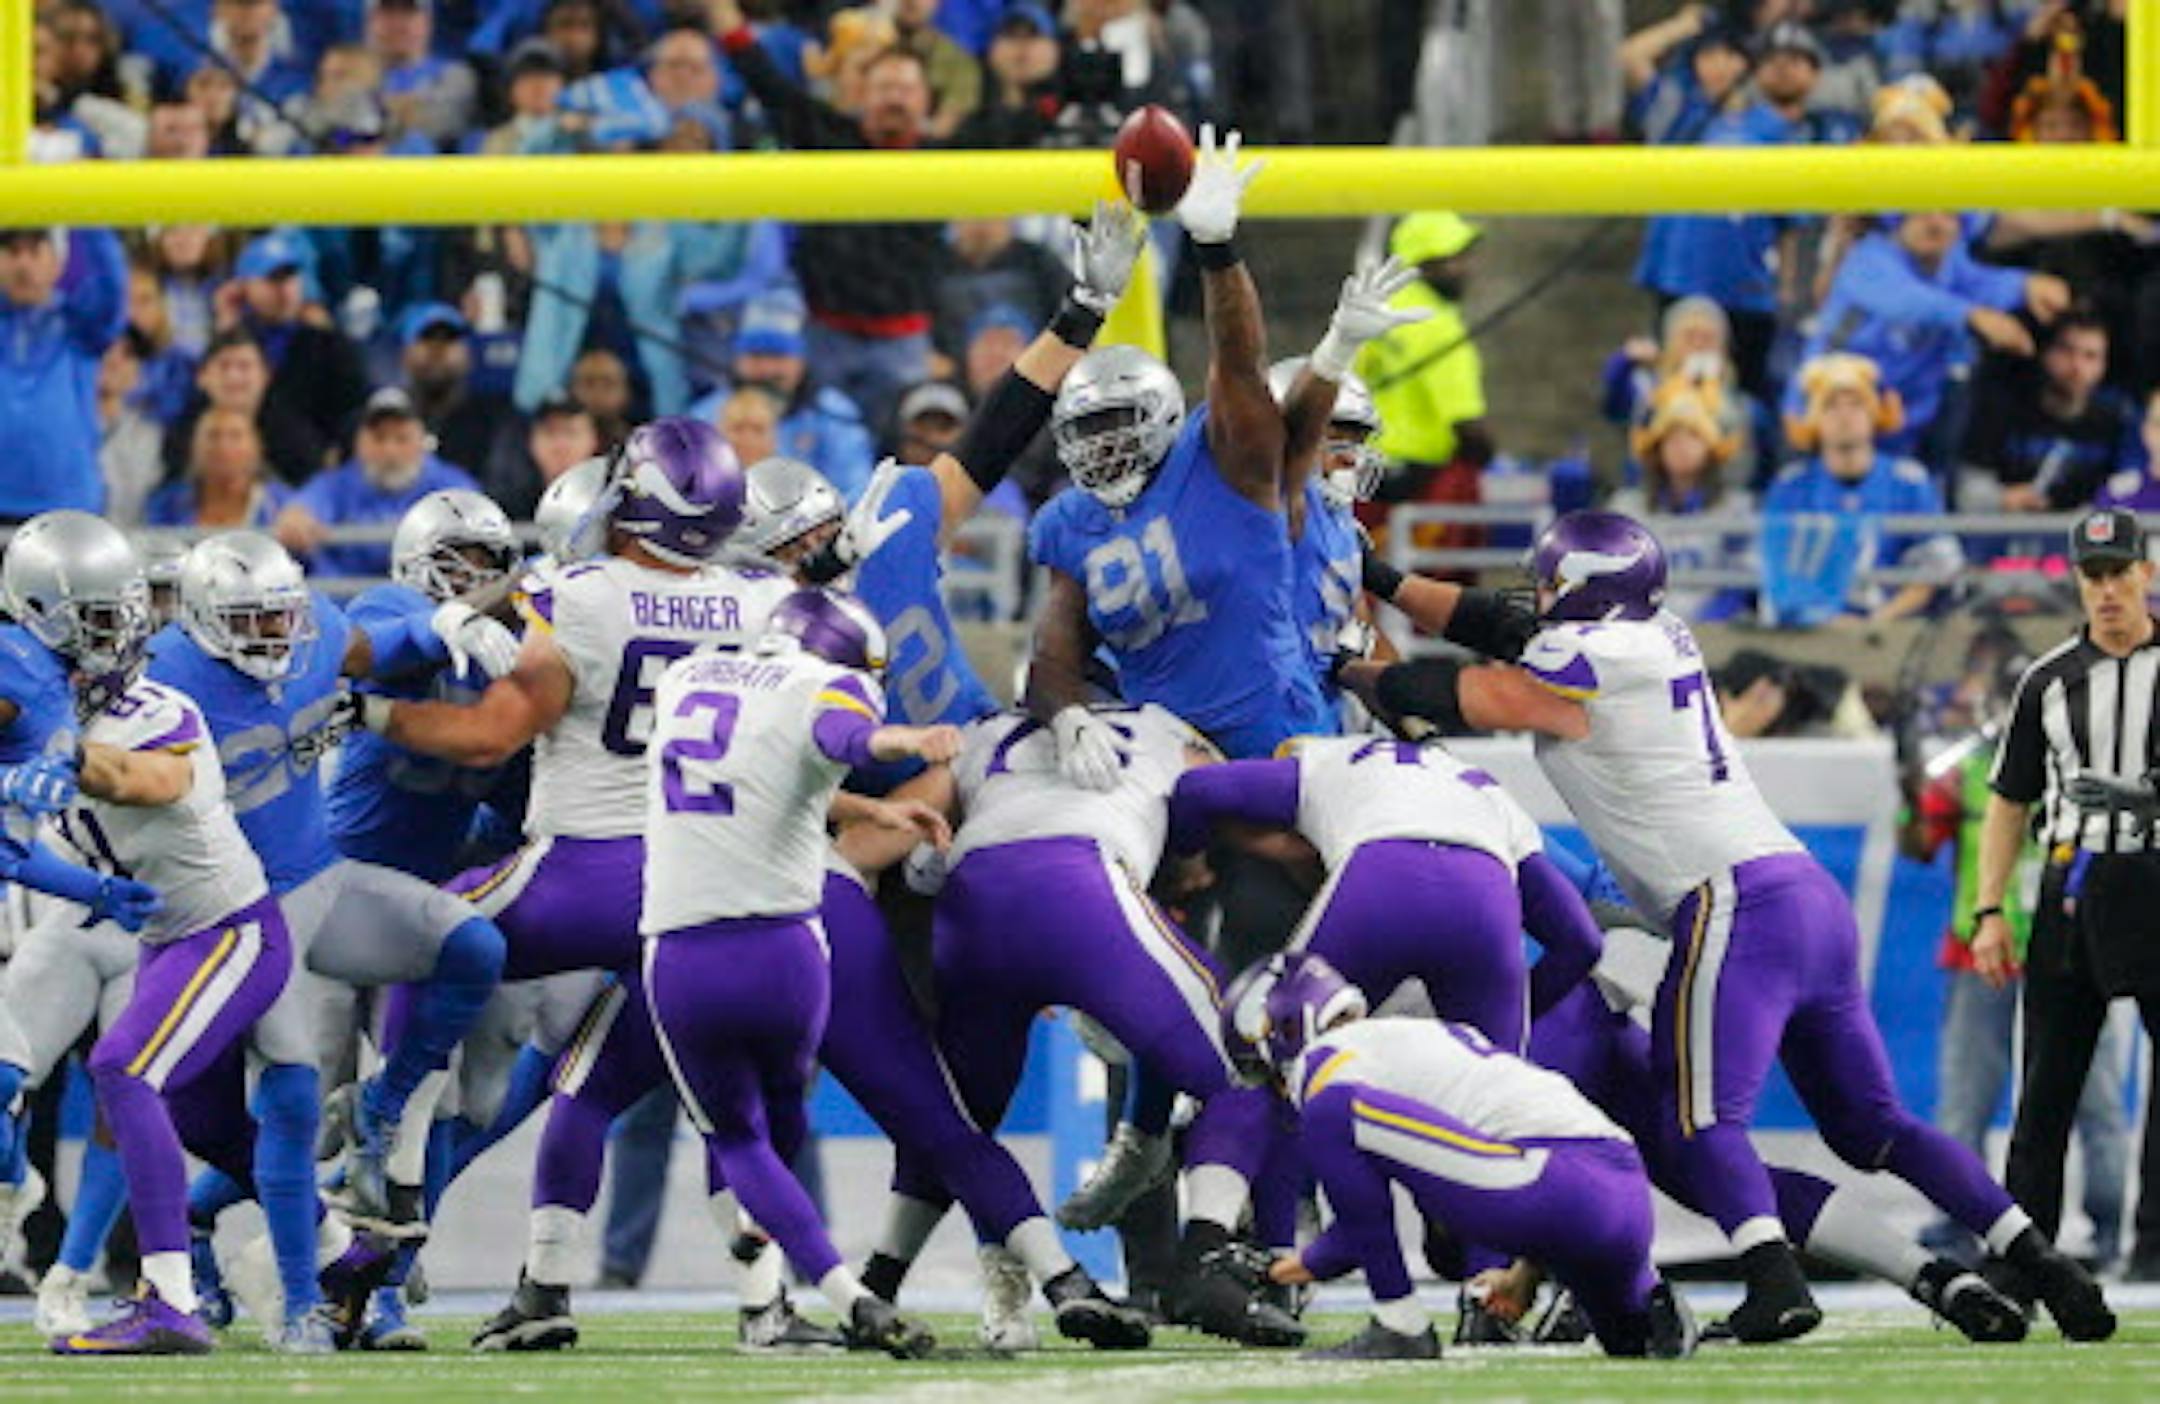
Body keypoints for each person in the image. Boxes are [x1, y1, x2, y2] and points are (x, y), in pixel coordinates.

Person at [1340, 509, 2115, 1345]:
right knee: (1874, 1128)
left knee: (1698, 1124)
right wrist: (1381, 580)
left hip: (1730, 902)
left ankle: (1772, 1281)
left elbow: (1466, 694)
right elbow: (1501, 624)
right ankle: (2042, 1261)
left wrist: (1345, 665)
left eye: (1551, 583)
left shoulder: (1585, 661)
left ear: (1582, 593)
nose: (1535, 597)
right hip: (1799, 893)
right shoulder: (1654, 633)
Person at [0, 523, 324, 1356]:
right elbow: (11, 848)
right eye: (97, 620)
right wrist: (94, 888)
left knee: (121, 1067)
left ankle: (168, 1299)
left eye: (125, 615)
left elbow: (158, 777)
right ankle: (336, 1244)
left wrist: (69, 762)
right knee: (202, 1124)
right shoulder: (31, 712)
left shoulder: (156, 707)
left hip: (231, 932)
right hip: (169, 939)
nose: (122, 636)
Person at [147, 531, 513, 1255]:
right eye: (254, 618)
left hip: (338, 884)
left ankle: (366, 1277)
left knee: (424, 1067)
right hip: (234, 909)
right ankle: (276, 1262)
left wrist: (445, 623)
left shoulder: (314, 632)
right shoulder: (165, 678)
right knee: (282, 1109)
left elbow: (373, 648)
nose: (276, 633)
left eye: (281, 614)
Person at [636, 589, 960, 1359]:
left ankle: (830, 1297)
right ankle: (818, 1301)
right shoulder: (823, 686)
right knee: (782, 1123)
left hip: (685, 951)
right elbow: (842, 734)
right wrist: (899, 742)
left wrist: (859, 808)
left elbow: (751, 765)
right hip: (785, 954)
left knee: (739, 1142)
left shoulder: (689, 676)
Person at [1027, 127, 1334, 765]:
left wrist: (1215, 251)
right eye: (1087, 430)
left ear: (1165, 415)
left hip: (1274, 737)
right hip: (1164, 753)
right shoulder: (1069, 523)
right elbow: (1054, 660)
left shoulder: (1221, 464)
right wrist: (1070, 718)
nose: (1103, 445)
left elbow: (1241, 364)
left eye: (1117, 422)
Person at [1230, 952, 1694, 1361]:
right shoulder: (1419, 1036)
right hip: (1620, 1196)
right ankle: (1649, 1305)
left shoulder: (1328, 1058)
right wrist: (1523, 1273)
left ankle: (1400, 1324)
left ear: (1281, 1028)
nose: (1272, 1083)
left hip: (1549, 1188)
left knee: (1331, 1111)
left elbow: (1360, 1218)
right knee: (1629, 1339)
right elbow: (1362, 1227)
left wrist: (1289, 1265)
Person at [710, 0, 1042, 434]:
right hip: (825, 335)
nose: (895, 98)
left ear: (926, 100)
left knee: (904, 456)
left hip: (904, 342)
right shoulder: (828, 137)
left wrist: (1017, 80)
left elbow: (1016, 127)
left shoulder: (943, 159)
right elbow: (768, 84)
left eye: (906, 89)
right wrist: (723, 19)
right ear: (861, 95)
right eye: (884, 87)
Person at [1977, 508, 2160, 1284]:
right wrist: (1991, 911)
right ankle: (2027, 1263)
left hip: (2155, 880)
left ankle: (2153, 1249)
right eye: (2095, 577)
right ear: (2078, 584)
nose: (2110, 590)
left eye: (2122, 572)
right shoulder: (2048, 682)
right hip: (2072, 886)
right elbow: (2009, 801)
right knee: (2046, 1083)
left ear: (2147, 572)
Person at [1165, 733, 1607, 1051]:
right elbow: (1581, 942)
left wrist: (1192, 862)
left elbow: (1196, 790)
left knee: (1285, 1057)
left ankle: (1249, 1179)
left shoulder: (1323, 760)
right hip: (1483, 895)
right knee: (1490, 1109)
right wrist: (1512, 1004)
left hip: (1379, 883)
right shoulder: (1488, 791)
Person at [1794, 211, 2067, 469]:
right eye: (1922, 212)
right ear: (1899, 219)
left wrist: (2025, 285)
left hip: (1906, 423)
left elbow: (1980, 283)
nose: (1935, 223)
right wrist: (1973, 315)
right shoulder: (1869, 256)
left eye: (1949, 214)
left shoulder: (1949, 265)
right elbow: (1905, 300)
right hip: (1831, 419)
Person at [1760, 353, 1962, 630]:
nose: (1845, 416)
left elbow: (1937, 569)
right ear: (1815, 419)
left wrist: (1879, 620)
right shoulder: (1790, 488)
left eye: (1856, 405)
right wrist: (1825, 621)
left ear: (1873, 414)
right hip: (1810, 635)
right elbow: (1778, 576)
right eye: (1831, 406)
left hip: (1894, 631)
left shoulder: (1909, 482)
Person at [1356, 212, 1494, 522]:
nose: (1466, 269)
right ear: (1420, 266)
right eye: (1451, 260)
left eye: (1464, 257)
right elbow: (1466, 426)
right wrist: (1488, 458)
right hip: (1415, 479)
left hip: (1358, 472)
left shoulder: (1376, 309)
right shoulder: (1438, 326)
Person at [275, 387, 483, 579]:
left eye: (401, 438)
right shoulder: (338, 484)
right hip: (349, 607)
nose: (389, 451)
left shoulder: (448, 482)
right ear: (359, 443)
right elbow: (304, 507)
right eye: (379, 438)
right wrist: (297, 517)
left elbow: (475, 516)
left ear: (421, 442)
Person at [0, 226, 126, 521]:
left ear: (58, 262)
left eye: (34, 251)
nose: (23, 264)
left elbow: (112, 286)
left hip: (68, 504)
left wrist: (86, 210)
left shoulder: (81, 325)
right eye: (12, 252)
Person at [1963, 310, 2138, 513]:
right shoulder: (2002, 410)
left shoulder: (2115, 421)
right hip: (2007, 531)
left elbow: (2130, 492)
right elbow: (1965, 493)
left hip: (2086, 536)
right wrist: (2001, 499)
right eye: (2067, 351)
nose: (2077, 366)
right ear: (2046, 354)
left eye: (2091, 356)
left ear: (2103, 366)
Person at [217, 231, 368, 460]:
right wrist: (226, 330)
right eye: (272, 279)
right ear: (244, 287)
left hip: (312, 472)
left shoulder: (330, 345)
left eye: (290, 277)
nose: (284, 288)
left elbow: (354, 413)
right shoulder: (228, 345)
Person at [162, 328, 327, 486]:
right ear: (201, 378)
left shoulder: (296, 438)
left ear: (265, 376)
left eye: (244, 366)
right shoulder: (181, 436)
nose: (234, 377)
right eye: (224, 366)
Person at [146, 407, 296, 529]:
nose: (223, 447)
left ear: (256, 448)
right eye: (213, 436)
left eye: (235, 436)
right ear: (194, 449)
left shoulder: (285, 505)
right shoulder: (165, 505)